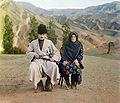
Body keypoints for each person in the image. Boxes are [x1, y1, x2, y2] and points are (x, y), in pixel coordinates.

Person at [26, 24, 60, 93]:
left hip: (47, 60)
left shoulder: (49, 42)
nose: (42, 36)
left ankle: (49, 83)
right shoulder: (33, 43)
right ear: (38, 34)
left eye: (43, 34)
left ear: (45, 35)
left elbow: (56, 52)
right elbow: (28, 53)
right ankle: (39, 84)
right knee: (32, 67)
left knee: (54, 66)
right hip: (37, 61)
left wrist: (53, 58)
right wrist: (34, 54)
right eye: (40, 34)